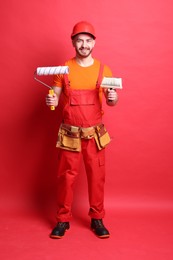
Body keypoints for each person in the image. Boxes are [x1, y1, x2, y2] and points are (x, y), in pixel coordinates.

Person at [46, 21, 118, 239]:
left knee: (97, 177)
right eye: (79, 40)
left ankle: (97, 218)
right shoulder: (63, 69)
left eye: (88, 41)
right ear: (73, 42)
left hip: (95, 136)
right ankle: (62, 220)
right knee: (65, 178)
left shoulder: (104, 70)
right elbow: (54, 100)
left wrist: (114, 99)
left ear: (94, 42)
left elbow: (111, 100)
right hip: (70, 135)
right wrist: (50, 100)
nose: (84, 45)